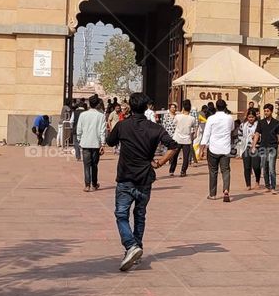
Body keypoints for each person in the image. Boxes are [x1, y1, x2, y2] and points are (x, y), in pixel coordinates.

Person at [106, 91, 178, 271]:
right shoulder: (155, 128)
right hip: (145, 177)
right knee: (139, 215)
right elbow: (173, 145)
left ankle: (131, 246)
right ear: (146, 107)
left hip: (126, 177)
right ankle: (136, 249)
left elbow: (110, 142)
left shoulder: (122, 125)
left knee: (121, 215)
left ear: (130, 106)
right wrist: (160, 162)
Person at [200, 96, 235, 202]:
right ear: (225, 107)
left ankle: (212, 194)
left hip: (213, 148)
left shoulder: (211, 118)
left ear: (216, 107)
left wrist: (202, 148)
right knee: (226, 170)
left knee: (213, 171)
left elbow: (206, 134)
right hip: (225, 148)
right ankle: (226, 190)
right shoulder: (230, 118)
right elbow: (232, 128)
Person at [76, 93, 106, 191]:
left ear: (89, 104)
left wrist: (79, 139)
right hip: (96, 143)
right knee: (94, 165)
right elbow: (102, 131)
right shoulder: (101, 116)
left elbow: (79, 129)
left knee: (86, 165)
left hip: (85, 143)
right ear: (97, 104)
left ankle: (87, 185)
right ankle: (94, 183)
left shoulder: (83, 115)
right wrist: (103, 144)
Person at [253, 102, 279, 194]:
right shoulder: (261, 122)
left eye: (267, 111)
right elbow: (257, 134)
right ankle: (267, 186)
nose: (266, 113)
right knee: (265, 167)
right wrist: (253, 146)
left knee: (271, 168)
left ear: (271, 111)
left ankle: (273, 187)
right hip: (263, 147)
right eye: (265, 111)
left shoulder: (276, 123)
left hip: (273, 147)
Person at [168, 99, 196, 176]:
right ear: (190, 108)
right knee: (186, 157)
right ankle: (183, 171)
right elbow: (194, 127)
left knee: (175, 156)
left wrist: (181, 112)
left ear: (183, 108)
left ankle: (171, 171)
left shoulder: (178, 116)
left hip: (177, 139)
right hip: (187, 140)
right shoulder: (192, 118)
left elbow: (174, 123)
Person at [238, 107, 261, 190]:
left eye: (252, 117)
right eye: (249, 117)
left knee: (256, 166)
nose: (251, 119)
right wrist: (240, 148)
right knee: (247, 167)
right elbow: (240, 136)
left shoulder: (259, 125)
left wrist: (257, 137)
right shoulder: (243, 125)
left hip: (256, 147)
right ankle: (248, 184)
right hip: (246, 147)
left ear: (255, 117)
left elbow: (262, 135)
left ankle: (257, 181)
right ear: (247, 117)